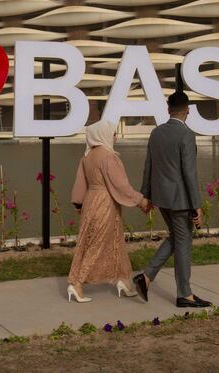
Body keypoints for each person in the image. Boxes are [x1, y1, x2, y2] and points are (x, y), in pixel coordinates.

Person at [132, 91, 211, 309]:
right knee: (183, 242)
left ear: (168, 110)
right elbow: (189, 173)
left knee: (177, 238)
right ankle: (184, 294)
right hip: (180, 200)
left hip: (161, 198)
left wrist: (145, 195)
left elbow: (149, 165)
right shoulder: (186, 135)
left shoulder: (156, 133)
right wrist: (197, 205)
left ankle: (146, 278)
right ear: (188, 110)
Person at [66, 120, 151, 303]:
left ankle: (123, 281)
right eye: (113, 133)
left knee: (114, 241)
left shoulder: (87, 157)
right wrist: (140, 200)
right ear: (103, 134)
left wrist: (79, 205)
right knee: (97, 243)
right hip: (105, 203)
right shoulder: (108, 156)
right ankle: (77, 283)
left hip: (91, 200)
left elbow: (80, 183)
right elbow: (121, 185)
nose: (115, 136)